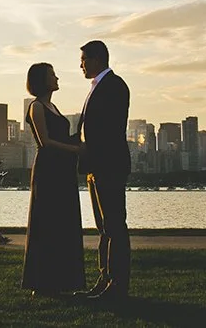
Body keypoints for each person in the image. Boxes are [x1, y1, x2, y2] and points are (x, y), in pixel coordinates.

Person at [21, 63, 85, 297]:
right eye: (52, 74)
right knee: (47, 221)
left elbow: (59, 137)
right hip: (49, 170)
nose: (57, 77)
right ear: (41, 80)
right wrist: (75, 149)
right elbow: (45, 142)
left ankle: (63, 280)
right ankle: (43, 281)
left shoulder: (53, 106)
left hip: (62, 168)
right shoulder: (36, 107)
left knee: (63, 221)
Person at [76, 40, 131, 302]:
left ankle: (117, 284)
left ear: (98, 58)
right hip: (96, 167)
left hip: (108, 165)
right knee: (104, 226)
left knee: (114, 226)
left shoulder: (115, 86)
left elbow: (109, 130)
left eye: (84, 59)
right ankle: (105, 278)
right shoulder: (99, 87)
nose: (81, 65)